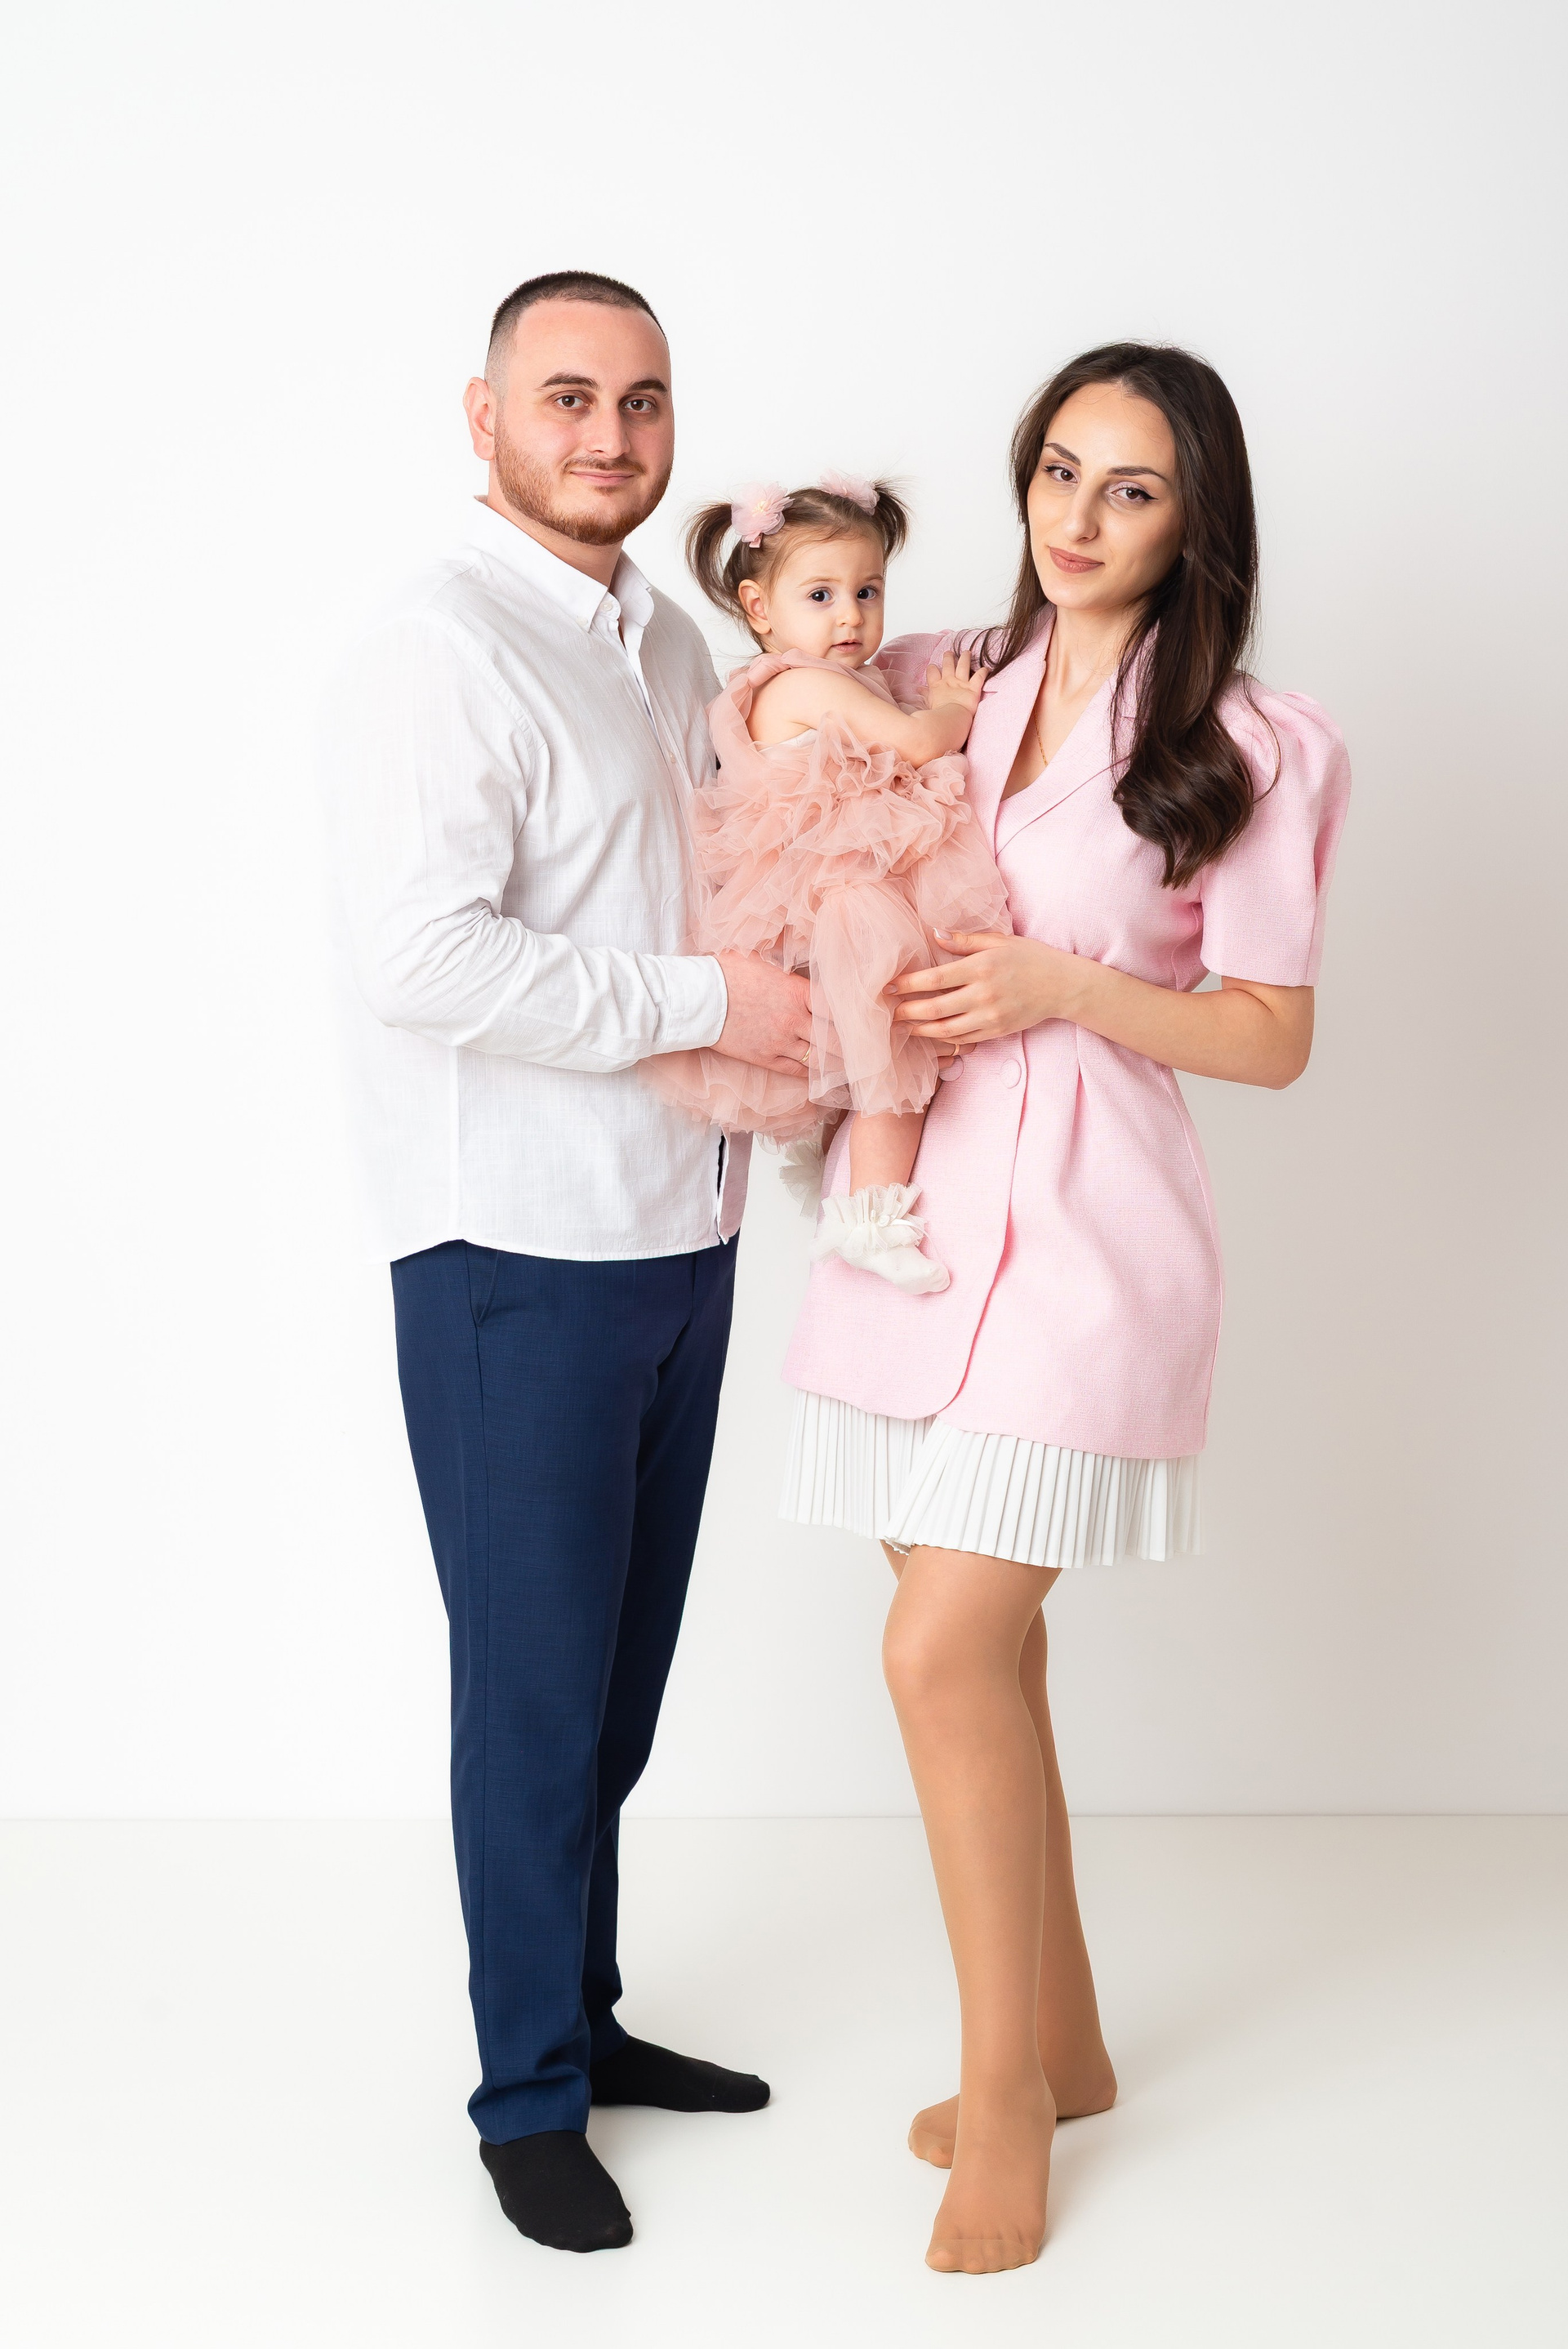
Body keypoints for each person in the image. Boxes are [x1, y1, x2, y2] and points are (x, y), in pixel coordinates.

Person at [780, 343, 1352, 2272]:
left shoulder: (1254, 744)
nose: (1079, 516)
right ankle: (1075, 2040)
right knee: (991, 1657)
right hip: (911, 1218)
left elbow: (1270, 1034)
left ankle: (1003, 2090)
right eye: (1057, 470)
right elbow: (776, 691)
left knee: (939, 1648)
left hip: (1092, 1227)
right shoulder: (941, 673)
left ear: (1197, 520)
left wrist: (1061, 986)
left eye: (1132, 486)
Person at [320, 270, 812, 2255]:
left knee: (612, 1691)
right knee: (533, 1697)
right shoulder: (440, 645)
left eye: (643, 399)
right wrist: (715, 1001)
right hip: (515, 1246)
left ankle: (585, 2022)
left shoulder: (665, 637)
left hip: (680, 1228)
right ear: (486, 415)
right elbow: (421, 955)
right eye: (568, 397)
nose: (610, 436)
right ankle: (524, 2093)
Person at [647, 473, 1008, 1293]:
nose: (850, 616)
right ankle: (868, 1217)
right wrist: (953, 708)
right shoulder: (803, 683)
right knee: (895, 1058)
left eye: (867, 591)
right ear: (760, 608)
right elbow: (917, 744)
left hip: (831, 897)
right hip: (840, 900)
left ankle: (849, 1183)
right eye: (821, 595)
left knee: (877, 1061)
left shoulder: (826, 680)